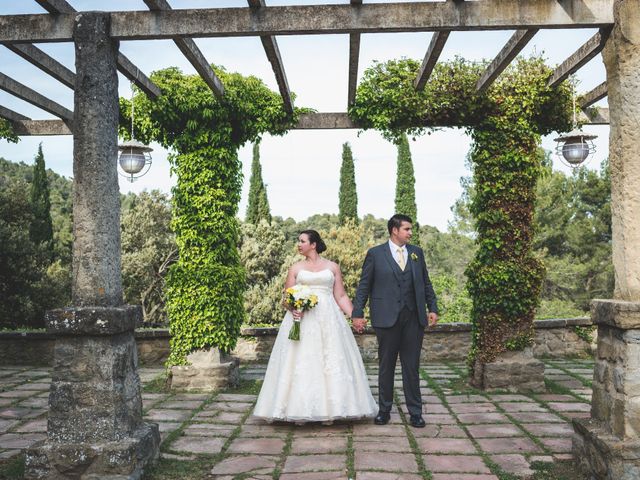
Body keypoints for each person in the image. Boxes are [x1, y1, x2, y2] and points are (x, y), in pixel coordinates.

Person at [253, 229, 377, 423]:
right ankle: (299, 408)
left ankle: (335, 407)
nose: (298, 244)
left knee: (331, 360)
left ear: (313, 244)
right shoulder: (295, 268)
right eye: (298, 241)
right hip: (302, 321)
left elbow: (341, 296)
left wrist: (355, 316)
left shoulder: (333, 267)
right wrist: (294, 307)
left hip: (329, 320)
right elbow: (286, 297)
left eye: (302, 241)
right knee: (302, 361)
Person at [352, 214, 439, 428]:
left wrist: (433, 307)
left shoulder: (417, 253)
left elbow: (426, 283)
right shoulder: (375, 254)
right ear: (394, 230)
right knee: (386, 366)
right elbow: (364, 286)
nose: (410, 233)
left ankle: (415, 413)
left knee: (411, 367)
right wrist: (357, 312)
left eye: (410, 229)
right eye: (407, 229)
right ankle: (384, 410)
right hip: (386, 317)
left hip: (414, 318)